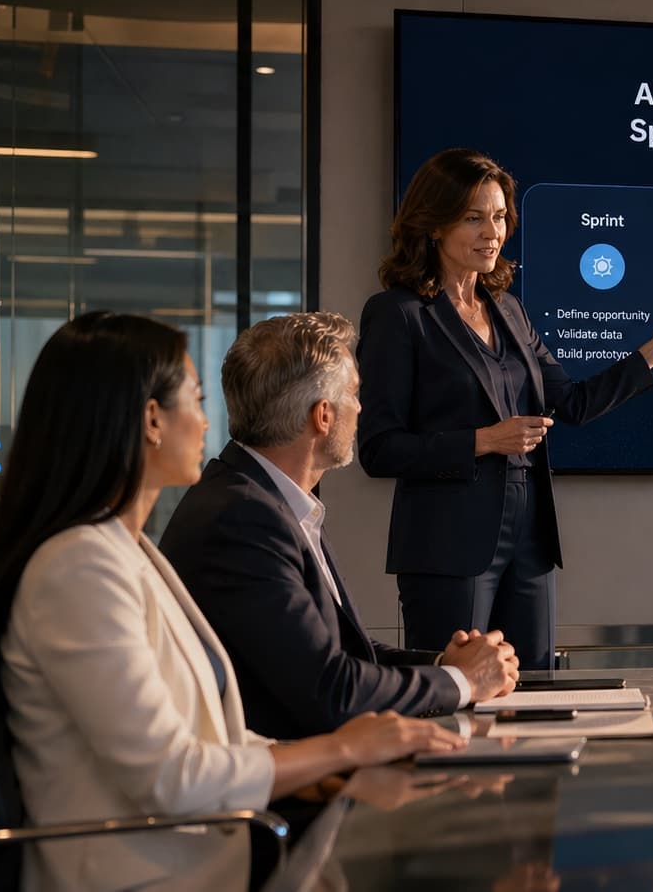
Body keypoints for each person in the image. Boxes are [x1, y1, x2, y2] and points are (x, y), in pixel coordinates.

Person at [0, 312, 464, 892]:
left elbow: (215, 738)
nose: (209, 421)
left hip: (205, 853)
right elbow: (172, 775)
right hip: (146, 875)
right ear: (152, 420)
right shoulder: (79, 567)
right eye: (196, 398)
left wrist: (334, 767)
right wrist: (341, 748)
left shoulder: (126, 550)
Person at [358, 147, 653, 669]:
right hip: (448, 547)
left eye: (500, 217)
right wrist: (485, 440)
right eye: (474, 217)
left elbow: (569, 403)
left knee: (537, 687)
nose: (492, 232)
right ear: (434, 224)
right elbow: (377, 448)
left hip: (528, 539)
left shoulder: (508, 308)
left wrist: (652, 354)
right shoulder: (399, 314)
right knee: (458, 692)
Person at [160, 312, 521, 741]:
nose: (362, 407)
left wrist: (447, 665)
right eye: (355, 393)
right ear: (323, 416)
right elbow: (332, 691)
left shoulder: (265, 499)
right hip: (293, 789)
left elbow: (349, 656)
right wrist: (463, 682)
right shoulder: (242, 518)